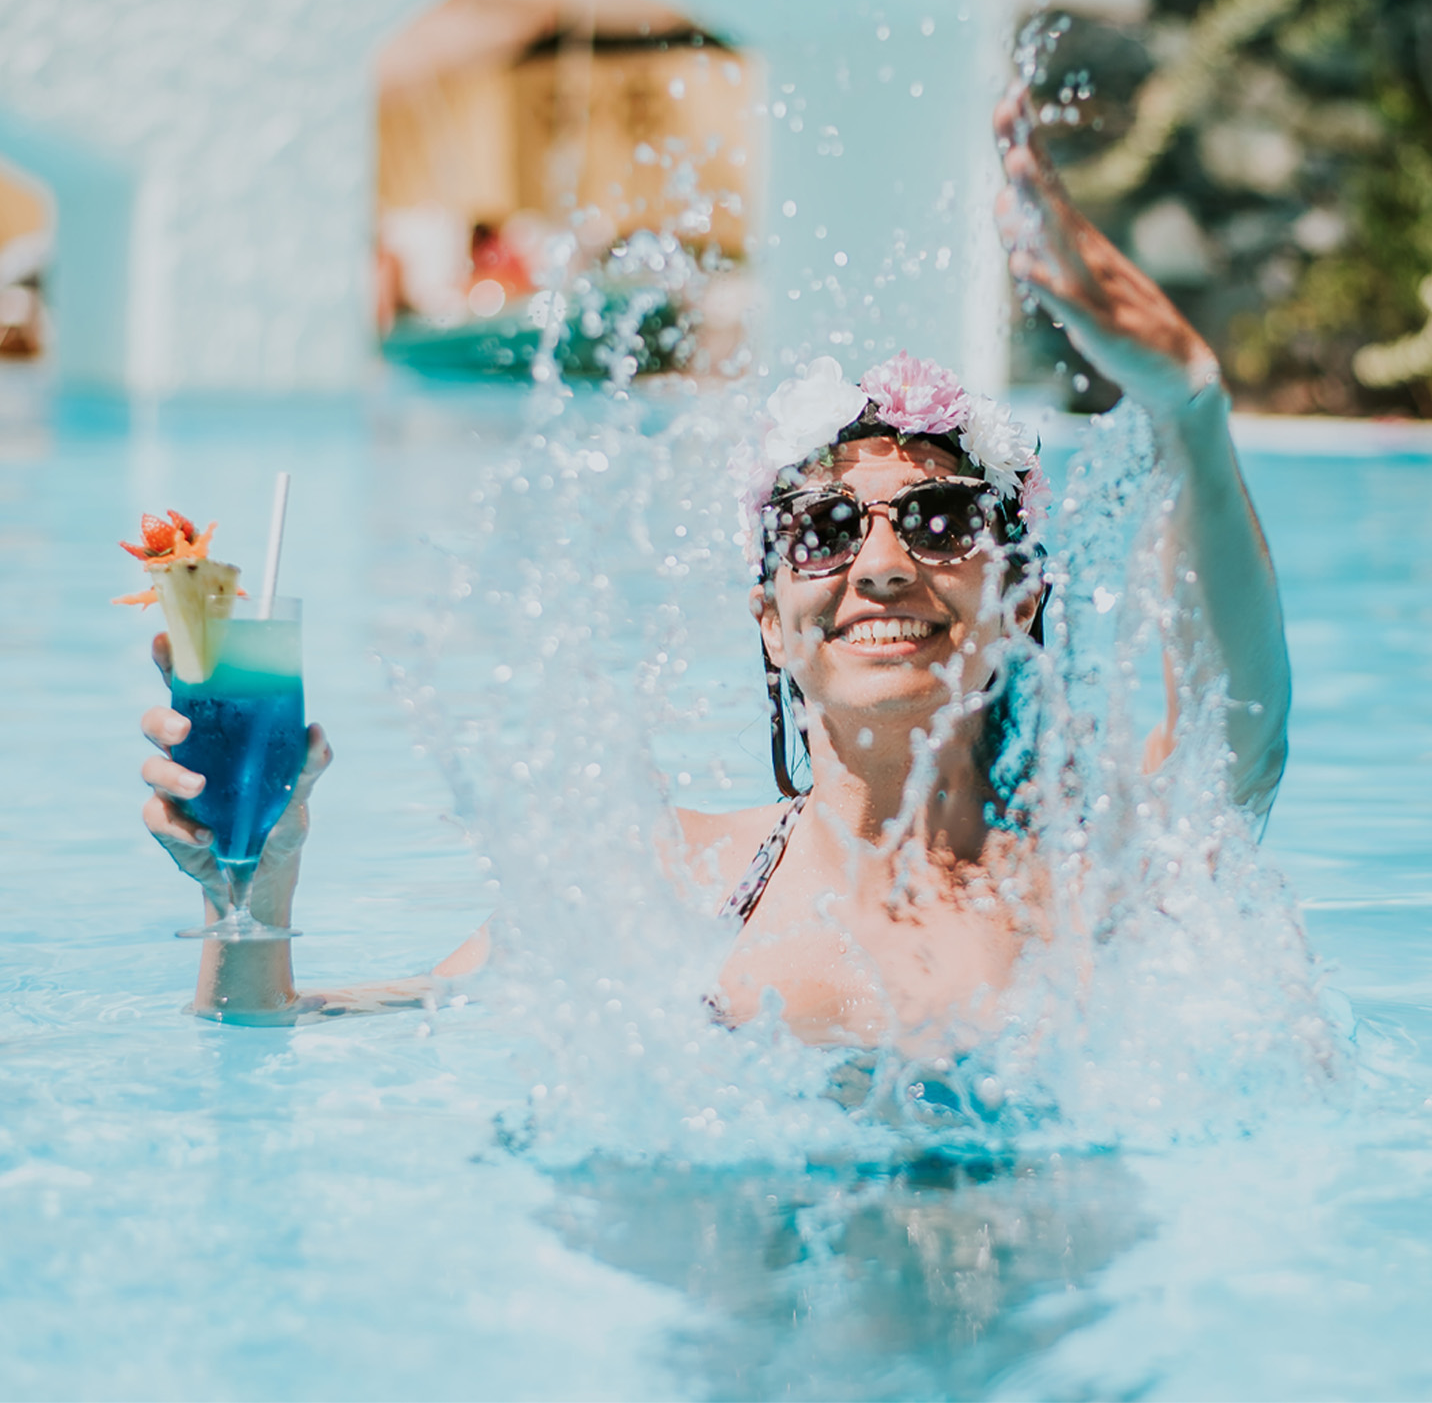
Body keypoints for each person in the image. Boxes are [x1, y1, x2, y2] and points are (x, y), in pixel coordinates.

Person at [138, 86, 1290, 1035]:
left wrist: (1187, 410)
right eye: (826, 533)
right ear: (770, 618)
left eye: (939, 522)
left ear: (1018, 594)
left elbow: (1239, 720)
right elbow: (276, 1033)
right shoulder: (667, 882)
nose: (882, 565)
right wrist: (253, 899)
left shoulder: (1090, 870)